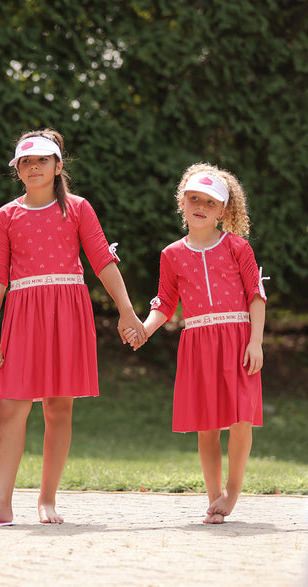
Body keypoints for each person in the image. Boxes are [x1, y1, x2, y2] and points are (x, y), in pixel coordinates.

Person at [0, 130, 146, 525]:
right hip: (23, 312)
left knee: (59, 409)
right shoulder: (4, 217)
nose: (33, 167)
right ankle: (0, 504)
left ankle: (48, 500)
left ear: (59, 166)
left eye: (42, 160)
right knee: (12, 408)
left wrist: (127, 311)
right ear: (18, 170)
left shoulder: (78, 208)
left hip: (68, 311)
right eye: (25, 161)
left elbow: (102, 261)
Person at [129, 163, 266, 524]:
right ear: (182, 203)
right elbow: (165, 302)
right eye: (194, 198)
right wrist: (144, 328)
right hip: (199, 343)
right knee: (208, 425)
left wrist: (256, 342)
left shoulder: (238, 247)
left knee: (240, 421)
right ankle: (214, 497)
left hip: (238, 340)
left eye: (209, 201)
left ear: (223, 210)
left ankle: (232, 491)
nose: (200, 206)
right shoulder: (171, 254)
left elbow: (256, 295)